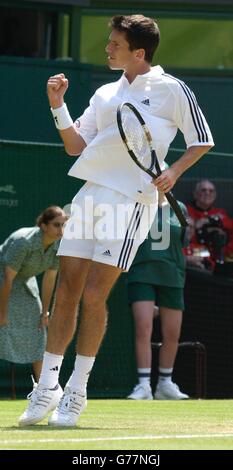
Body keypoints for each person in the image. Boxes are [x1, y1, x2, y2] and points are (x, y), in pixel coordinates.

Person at [19, 14, 213, 427]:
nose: (107, 48)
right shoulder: (106, 92)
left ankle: (77, 390)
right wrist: (58, 106)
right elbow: (75, 145)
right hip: (89, 195)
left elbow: (202, 139)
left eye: (115, 44)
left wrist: (174, 172)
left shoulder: (173, 89)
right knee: (66, 291)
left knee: (93, 295)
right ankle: (48, 387)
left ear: (138, 52)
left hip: (131, 203)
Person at [127, 194, 189, 400]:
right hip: (141, 272)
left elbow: (182, 241)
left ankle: (165, 384)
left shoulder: (179, 207)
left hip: (172, 275)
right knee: (143, 327)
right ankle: (143, 385)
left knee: (172, 333)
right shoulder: (135, 203)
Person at [0, 206, 67, 381]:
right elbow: (7, 278)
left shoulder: (59, 245)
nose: (61, 230)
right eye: (56, 225)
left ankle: (45, 388)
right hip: (3, 279)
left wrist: (45, 311)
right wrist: (2, 313)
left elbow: (49, 278)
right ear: (43, 226)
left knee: (39, 330)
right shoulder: (24, 241)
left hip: (24, 282)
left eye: (63, 225)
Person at [187, 180, 233, 268]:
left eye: (211, 191)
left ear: (215, 195)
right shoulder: (186, 211)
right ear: (195, 194)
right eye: (203, 190)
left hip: (220, 256)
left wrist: (209, 220)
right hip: (195, 254)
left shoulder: (220, 213)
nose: (207, 193)